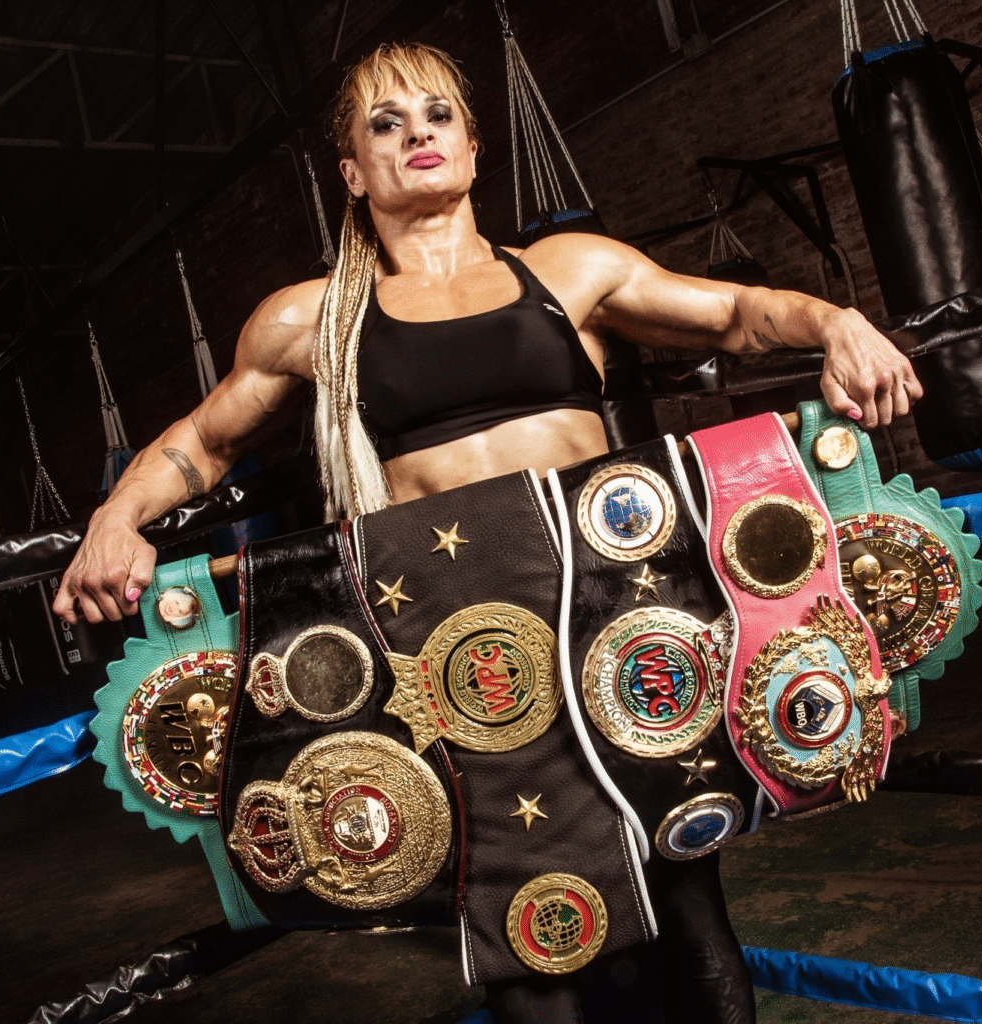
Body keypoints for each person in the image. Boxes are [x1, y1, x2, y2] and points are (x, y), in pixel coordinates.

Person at [54, 42, 923, 1024]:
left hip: (610, 630)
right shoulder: (312, 319)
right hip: (461, 663)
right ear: (352, 174)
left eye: (438, 116)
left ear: (472, 148)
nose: (416, 134)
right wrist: (116, 517)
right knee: (528, 949)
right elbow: (202, 442)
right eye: (386, 124)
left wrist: (837, 323)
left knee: (687, 910)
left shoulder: (571, 269)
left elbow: (733, 311)